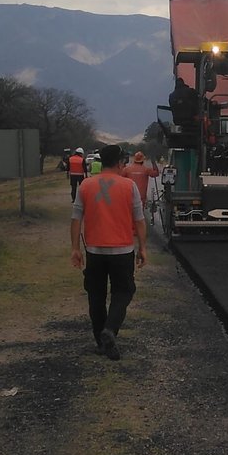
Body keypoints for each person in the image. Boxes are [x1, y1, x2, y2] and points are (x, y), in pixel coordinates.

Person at [70, 144, 147, 360]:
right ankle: (110, 330)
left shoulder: (86, 185)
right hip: (122, 250)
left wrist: (75, 248)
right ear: (121, 162)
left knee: (96, 295)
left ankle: (100, 342)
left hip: (94, 250)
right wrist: (143, 248)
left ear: (101, 161)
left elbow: (76, 220)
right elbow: (139, 221)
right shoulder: (128, 186)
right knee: (123, 291)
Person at [122, 150, 161, 222]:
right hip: (141, 197)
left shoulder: (127, 169)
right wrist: (153, 163)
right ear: (142, 160)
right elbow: (156, 174)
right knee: (139, 217)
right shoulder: (146, 169)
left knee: (128, 214)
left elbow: (119, 177)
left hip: (129, 195)